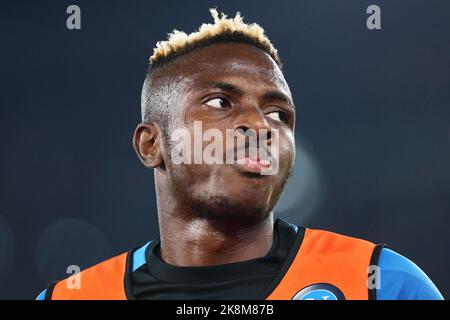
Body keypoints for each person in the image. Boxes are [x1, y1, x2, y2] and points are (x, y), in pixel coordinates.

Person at [37, 8, 443, 300]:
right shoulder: (74, 296)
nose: (262, 126)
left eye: (278, 113)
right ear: (151, 145)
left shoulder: (379, 283)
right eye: (219, 103)